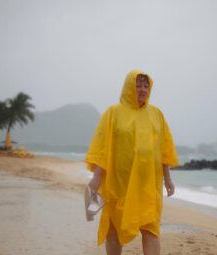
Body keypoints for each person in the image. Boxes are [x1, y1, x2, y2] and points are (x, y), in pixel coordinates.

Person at [86, 69, 179, 255]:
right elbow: (104, 146)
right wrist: (96, 177)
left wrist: (167, 178)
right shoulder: (113, 113)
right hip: (119, 183)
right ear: (129, 86)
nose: (142, 89)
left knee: (150, 227)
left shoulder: (156, 114)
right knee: (113, 227)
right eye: (138, 85)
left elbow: (164, 148)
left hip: (148, 183)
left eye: (146, 85)